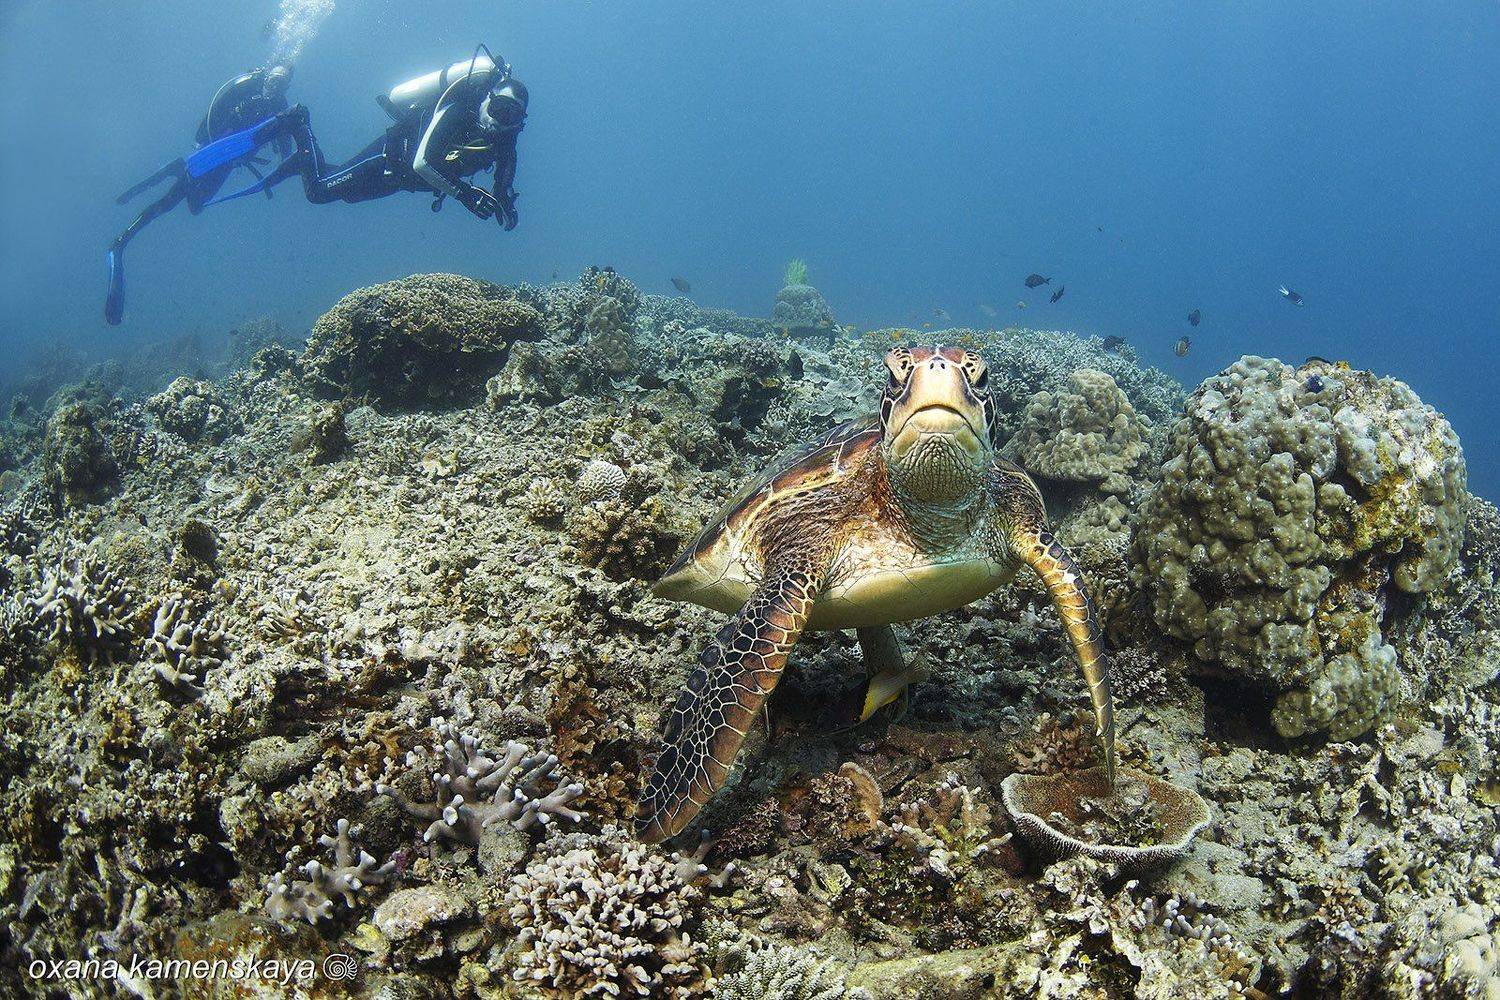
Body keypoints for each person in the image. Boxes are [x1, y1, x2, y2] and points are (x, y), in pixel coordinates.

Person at [106, 64, 295, 324]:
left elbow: (285, 149)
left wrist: (287, 152)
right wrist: (202, 145)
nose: (276, 87)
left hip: (228, 163)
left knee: (195, 206)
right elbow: (214, 110)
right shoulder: (246, 87)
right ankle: (121, 242)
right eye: (275, 79)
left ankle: (176, 169)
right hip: (209, 154)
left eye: (283, 84)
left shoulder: (280, 107)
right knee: (170, 201)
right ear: (267, 75)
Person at [268, 52, 526, 228]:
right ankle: (299, 122)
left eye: (511, 116)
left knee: (349, 196)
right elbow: (422, 163)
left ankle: (302, 162)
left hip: (400, 180)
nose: (499, 121)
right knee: (318, 192)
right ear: (488, 99)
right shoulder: (457, 110)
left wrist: (503, 197)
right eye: (499, 109)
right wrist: (465, 194)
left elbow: (506, 164)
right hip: (385, 160)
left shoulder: (505, 136)